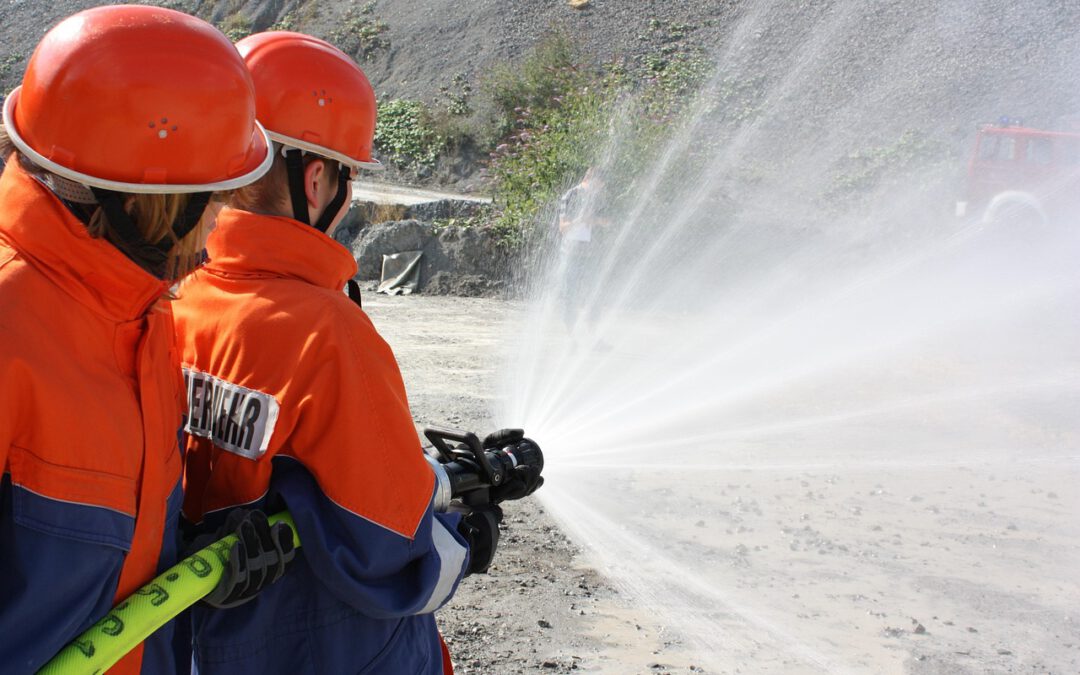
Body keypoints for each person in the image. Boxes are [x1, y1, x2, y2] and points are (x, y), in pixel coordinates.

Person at [173, 32, 532, 674]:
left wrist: (442, 479)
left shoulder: (182, 299)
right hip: (329, 648)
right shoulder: (326, 331)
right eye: (347, 174)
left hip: (216, 646)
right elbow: (387, 544)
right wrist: (465, 541)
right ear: (317, 179)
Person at [0, 6, 275, 673]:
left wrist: (190, 544)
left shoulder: (143, 316)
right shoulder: (11, 321)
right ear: (140, 199)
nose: (222, 215)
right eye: (211, 194)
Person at [557, 167, 610, 345]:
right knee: (569, 294)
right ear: (589, 179)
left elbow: (607, 221)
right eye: (597, 185)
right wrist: (580, 220)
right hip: (572, 254)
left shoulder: (599, 198)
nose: (599, 189)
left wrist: (593, 220)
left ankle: (594, 336)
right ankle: (570, 337)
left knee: (595, 294)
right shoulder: (571, 195)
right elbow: (562, 228)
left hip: (592, 254)